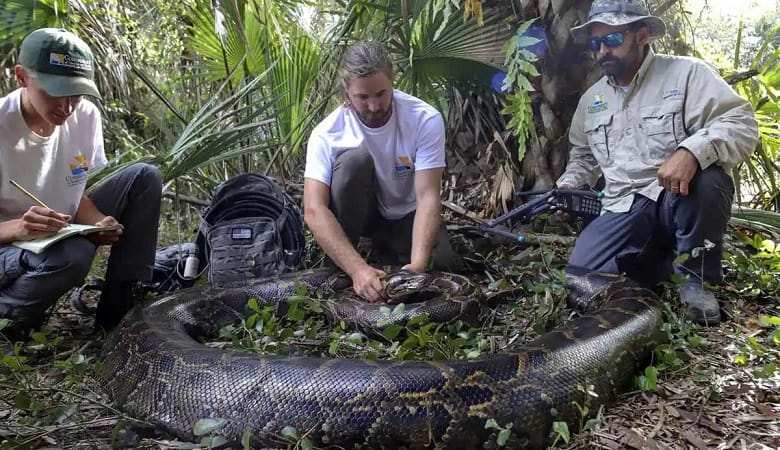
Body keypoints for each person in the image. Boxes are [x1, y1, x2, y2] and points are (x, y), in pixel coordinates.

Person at [557, 0, 759, 325]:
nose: (602, 52)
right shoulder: (591, 101)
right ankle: (660, 266)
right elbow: (583, 157)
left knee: (709, 180)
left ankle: (696, 281)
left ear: (643, 34)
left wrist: (693, 152)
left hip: (675, 196)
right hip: (623, 207)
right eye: (595, 43)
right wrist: (569, 181)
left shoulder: (687, 73)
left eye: (611, 40)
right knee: (579, 276)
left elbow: (740, 122)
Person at [0, 28, 163, 336]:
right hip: (9, 247)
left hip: (54, 232)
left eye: (75, 93)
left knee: (144, 177)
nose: (66, 107)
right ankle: (10, 317)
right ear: (21, 77)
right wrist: (18, 228)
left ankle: (118, 311)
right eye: (54, 92)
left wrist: (99, 221)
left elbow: (73, 193)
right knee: (72, 255)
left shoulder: (85, 116)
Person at [303, 41, 455, 302]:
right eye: (363, 97)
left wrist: (417, 268)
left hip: (407, 213)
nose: (374, 106)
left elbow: (428, 197)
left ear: (392, 83)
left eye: (381, 94)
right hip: (363, 217)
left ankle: (388, 252)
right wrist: (357, 270)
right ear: (346, 94)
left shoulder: (424, 119)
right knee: (353, 163)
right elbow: (314, 209)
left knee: (443, 264)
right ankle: (340, 268)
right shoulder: (326, 134)